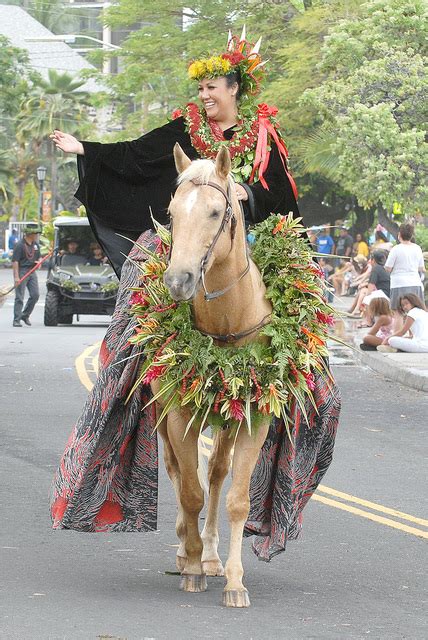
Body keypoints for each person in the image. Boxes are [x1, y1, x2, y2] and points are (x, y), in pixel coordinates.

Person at [49, 31, 340, 562]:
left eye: (212, 87)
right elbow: (136, 158)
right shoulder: (185, 130)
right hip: (186, 241)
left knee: (307, 328)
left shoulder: (261, 136)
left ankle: (309, 404)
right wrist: (85, 149)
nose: (205, 95)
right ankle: (125, 382)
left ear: (235, 90)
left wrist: (247, 193)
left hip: (254, 243)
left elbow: (283, 196)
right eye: (201, 88)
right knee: (139, 296)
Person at [384, 223, 425, 327]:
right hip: (415, 283)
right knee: (415, 312)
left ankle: (397, 337)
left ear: (399, 235)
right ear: (411, 235)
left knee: (398, 312)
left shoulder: (396, 249)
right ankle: (413, 336)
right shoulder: (417, 248)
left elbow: (388, 268)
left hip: (399, 284)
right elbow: (421, 268)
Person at [11, 223, 41, 327]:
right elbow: (15, 261)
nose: (37, 235)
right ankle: (17, 319)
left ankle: (25, 314)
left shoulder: (36, 245)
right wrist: (16, 277)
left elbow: (38, 258)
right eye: (35, 233)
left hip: (32, 271)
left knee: (35, 295)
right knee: (19, 296)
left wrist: (38, 263)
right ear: (30, 234)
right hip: (22, 271)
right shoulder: (19, 245)